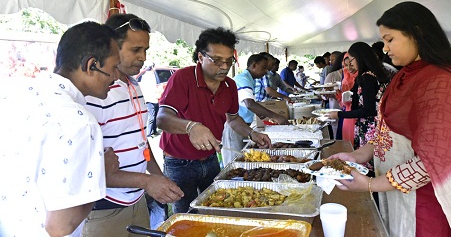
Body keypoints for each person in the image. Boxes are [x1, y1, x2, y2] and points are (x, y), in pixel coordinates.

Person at [331, 1, 451, 236]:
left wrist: (371, 185)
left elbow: (432, 161)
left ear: (417, 33)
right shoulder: (409, 76)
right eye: (384, 41)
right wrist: (355, 155)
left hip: (428, 203)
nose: (385, 49)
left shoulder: (441, 83)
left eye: (390, 39)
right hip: (398, 193)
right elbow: (389, 136)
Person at [0, 21, 120, 236]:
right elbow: (59, 227)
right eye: (113, 68)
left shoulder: (12, 94)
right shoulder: (80, 122)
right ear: (91, 65)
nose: (117, 77)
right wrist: (101, 173)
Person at [83, 14, 183, 236]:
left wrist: (157, 177)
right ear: (112, 47)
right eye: (135, 50)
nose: (143, 57)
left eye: (145, 50)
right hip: (105, 208)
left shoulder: (134, 86)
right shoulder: (95, 94)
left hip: (137, 199)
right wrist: (147, 182)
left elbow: (141, 141)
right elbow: (86, 167)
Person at [156, 27, 271, 214]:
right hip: (180, 163)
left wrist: (252, 133)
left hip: (210, 160)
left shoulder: (229, 85)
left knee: (215, 208)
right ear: (200, 57)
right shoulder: (182, 78)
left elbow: (233, 119)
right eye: (217, 60)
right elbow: (162, 119)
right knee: (186, 216)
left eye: (228, 61)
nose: (224, 66)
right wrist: (191, 127)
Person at [327, 42, 389, 164]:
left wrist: (338, 115)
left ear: (359, 58)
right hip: (377, 125)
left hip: (369, 128)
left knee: (367, 163)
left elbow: (369, 109)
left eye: (351, 60)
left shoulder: (367, 78)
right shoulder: (376, 74)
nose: (350, 64)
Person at [223, 53, 287, 164]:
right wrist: (276, 116)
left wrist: (261, 113)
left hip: (243, 125)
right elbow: (249, 104)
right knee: (234, 160)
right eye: (263, 68)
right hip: (234, 126)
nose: (266, 71)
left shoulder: (250, 79)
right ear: (254, 65)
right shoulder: (243, 79)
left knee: (243, 158)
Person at [322, 52, 344, 137]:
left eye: (333, 59)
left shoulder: (354, 76)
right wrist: (328, 94)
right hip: (335, 110)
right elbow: (324, 95)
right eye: (330, 60)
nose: (330, 62)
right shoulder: (331, 75)